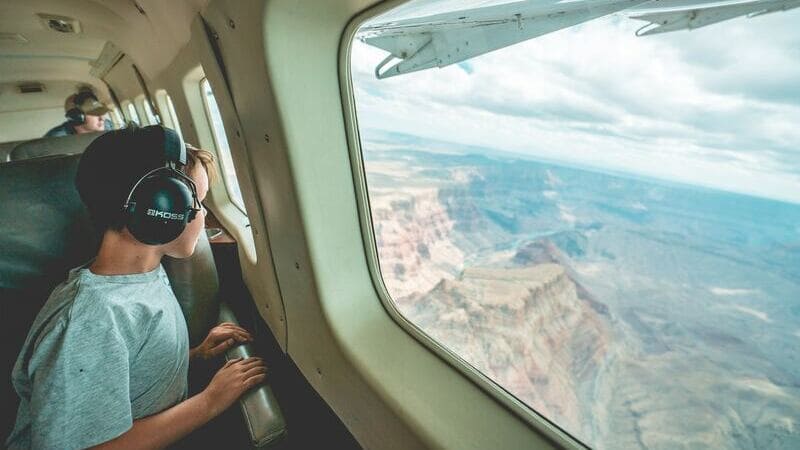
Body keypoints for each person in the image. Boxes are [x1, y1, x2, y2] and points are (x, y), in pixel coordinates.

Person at [6, 125, 267, 449]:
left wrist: (192, 356)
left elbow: (122, 371)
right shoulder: (91, 321)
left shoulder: (145, 274)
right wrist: (209, 402)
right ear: (160, 205)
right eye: (196, 202)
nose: (202, 216)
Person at [43, 91, 112, 137]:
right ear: (77, 118)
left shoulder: (107, 125)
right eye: (95, 114)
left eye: (101, 113)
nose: (102, 119)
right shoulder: (56, 138)